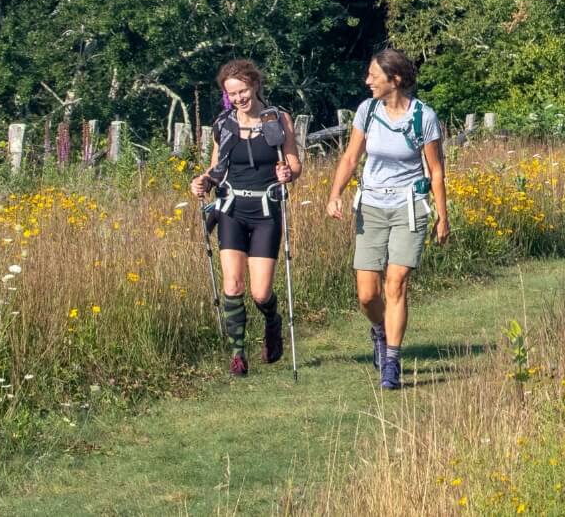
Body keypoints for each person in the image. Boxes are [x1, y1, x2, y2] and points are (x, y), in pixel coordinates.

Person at [325, 49, 450, 389]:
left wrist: (442, 216)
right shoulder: (367, 111)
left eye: (373, 75)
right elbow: (351, 157)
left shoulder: (423, 117)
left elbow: (436, 171)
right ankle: (379, 331)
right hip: (371, 207)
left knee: (395, 283)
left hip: (409, 208)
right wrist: (335, 194)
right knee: (367, 295)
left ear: (394, 80)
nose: (367, 81)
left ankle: (392, 363)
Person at [191, 59, 302, 376]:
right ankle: (238, 355)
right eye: (232, 94)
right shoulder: (224, 124)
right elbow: (216, 169)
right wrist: (203, 181)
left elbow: (294, 166)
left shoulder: (277, 119)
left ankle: (272, 320)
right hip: (231, 209)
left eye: (242, 91)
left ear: (254, 85)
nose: (239, 98)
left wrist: (286, 173)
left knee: (260, 292)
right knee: (233, 284)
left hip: (266, 211)